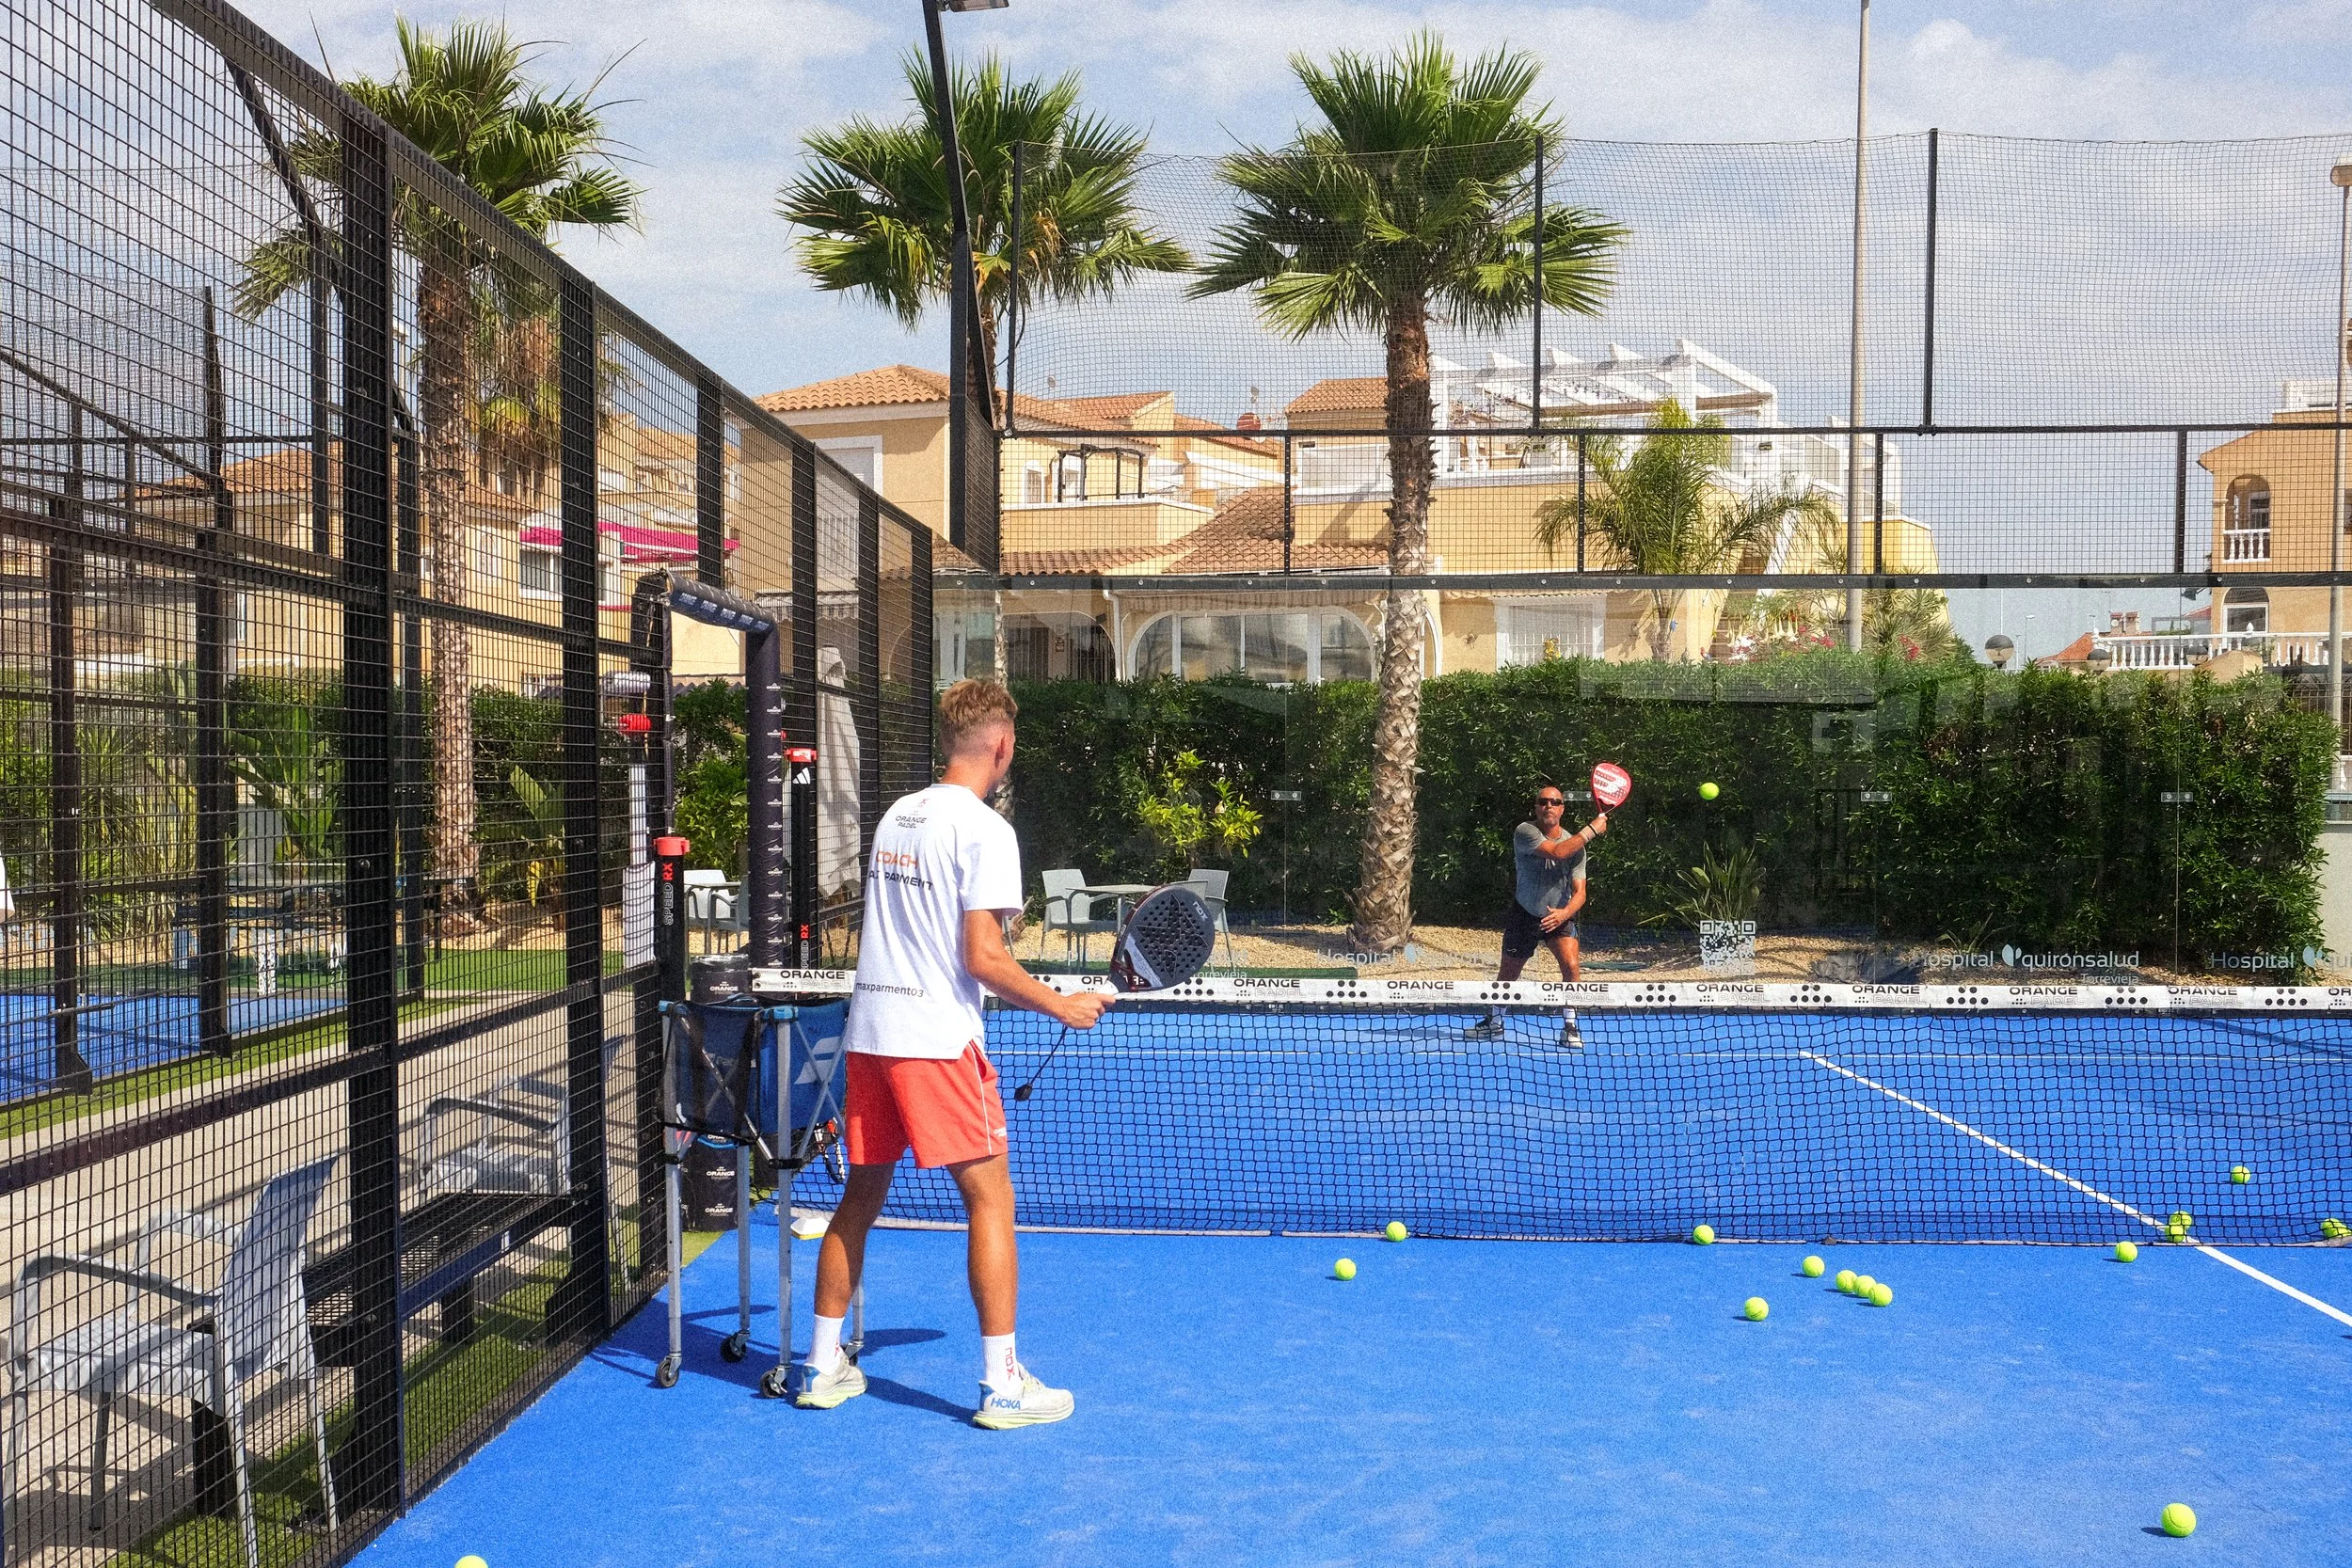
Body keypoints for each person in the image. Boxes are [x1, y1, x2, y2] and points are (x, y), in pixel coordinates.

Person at [798, 678, 1111, 1427]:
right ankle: (1003, 1383)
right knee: (990, 1200)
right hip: (937, 1043)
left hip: (870, 1037)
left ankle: (820, 1363)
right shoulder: (986, 829)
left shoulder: (895, 818)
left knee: (860, 1198)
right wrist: (1059, 1002)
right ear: (1002, 744)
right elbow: (982, 955)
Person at [1466, 782, 1607, 1047]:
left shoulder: (1577, 847)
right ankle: (1495, 1022)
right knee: (1508, 973)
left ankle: (1570, 1026)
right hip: (1525, 914)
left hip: (1559, 917)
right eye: (1543, 802)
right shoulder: (1525, 831)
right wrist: (1591, 830)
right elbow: (1557, 851)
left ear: (1562, 809)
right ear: (1536, 807)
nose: (1548, 806)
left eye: (1555, 802)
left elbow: (1581, 893)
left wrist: (1564, 914)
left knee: (1572, 966)